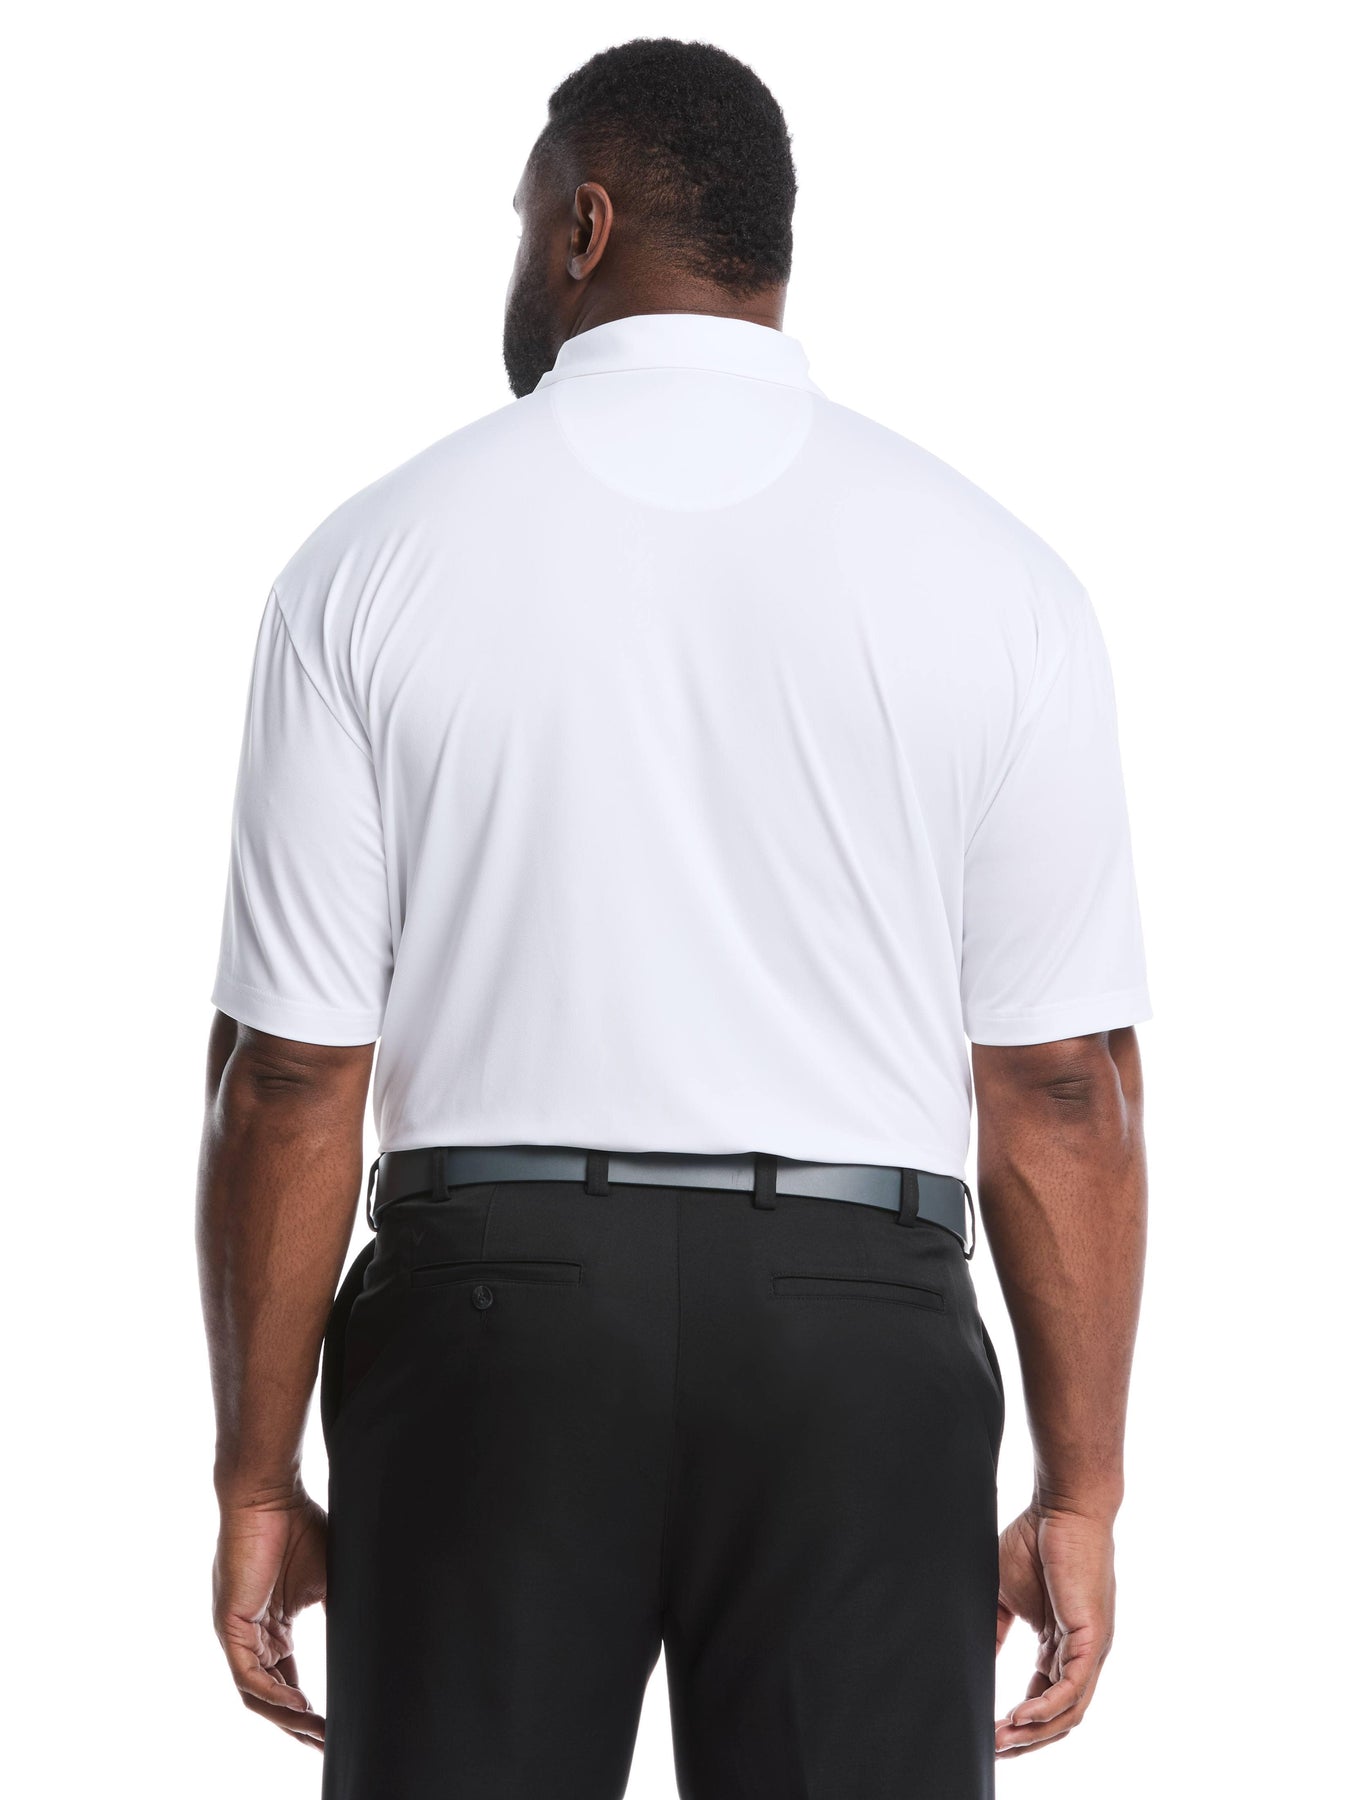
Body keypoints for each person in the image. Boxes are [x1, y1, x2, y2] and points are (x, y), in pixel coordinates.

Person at [198, 36, 1149, 1800]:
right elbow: (1062, 1083)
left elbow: (288, 1076)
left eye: (520, 222)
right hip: (856, 1333)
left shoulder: (370, 561)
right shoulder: (996, 576)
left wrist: (257, 1476)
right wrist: (1078, 1493)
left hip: (494, 1323)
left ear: (583, 226)